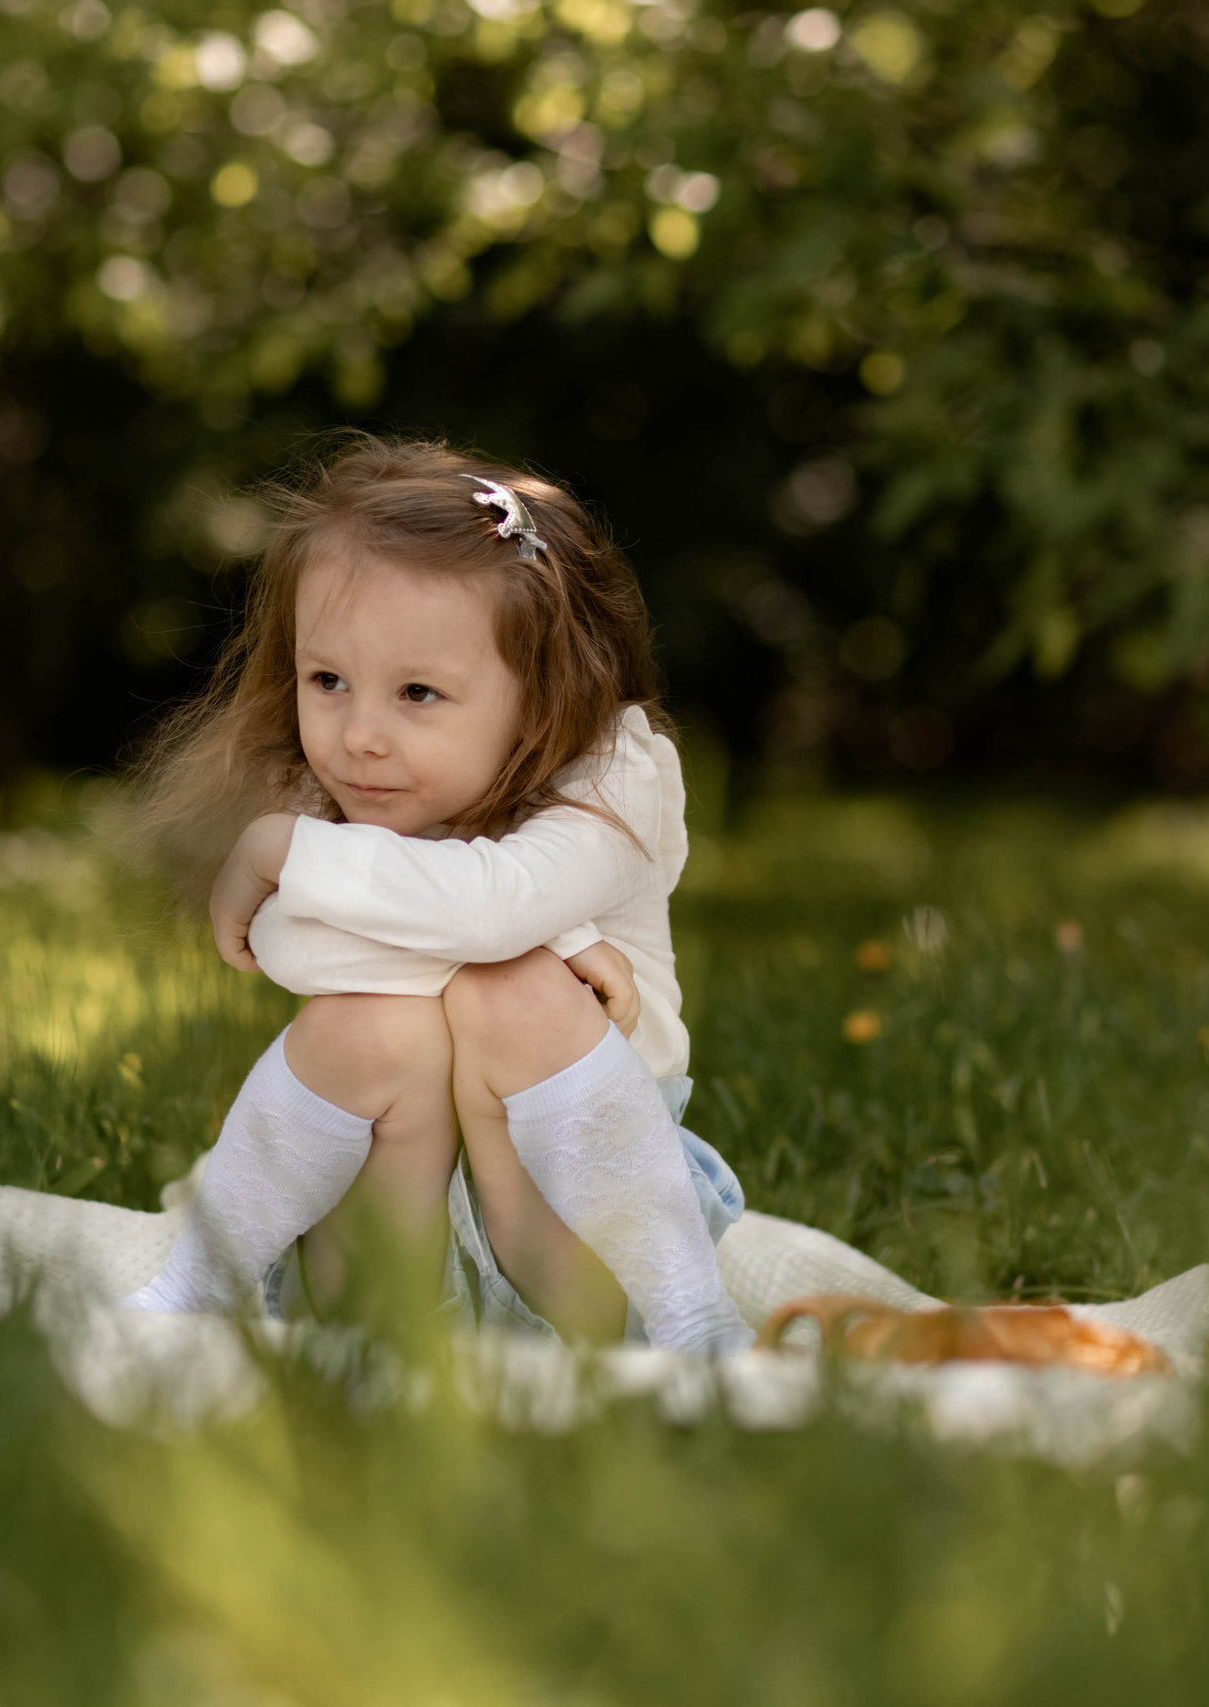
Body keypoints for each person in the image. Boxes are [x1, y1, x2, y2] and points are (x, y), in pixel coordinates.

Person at [118, 436, 751, 1355]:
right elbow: (293, 946)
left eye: (418, 691)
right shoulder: (335, 787)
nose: (360, 734)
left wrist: (288, 853)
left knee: (514, 990)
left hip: (580, 1240)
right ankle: (199, 1284)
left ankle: (697, 1319)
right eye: (327, 679)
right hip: (382, 1247)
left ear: (543, 695)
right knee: (367, 1023)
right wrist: (552, 936)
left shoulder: (617, 777)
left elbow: (492, 909)